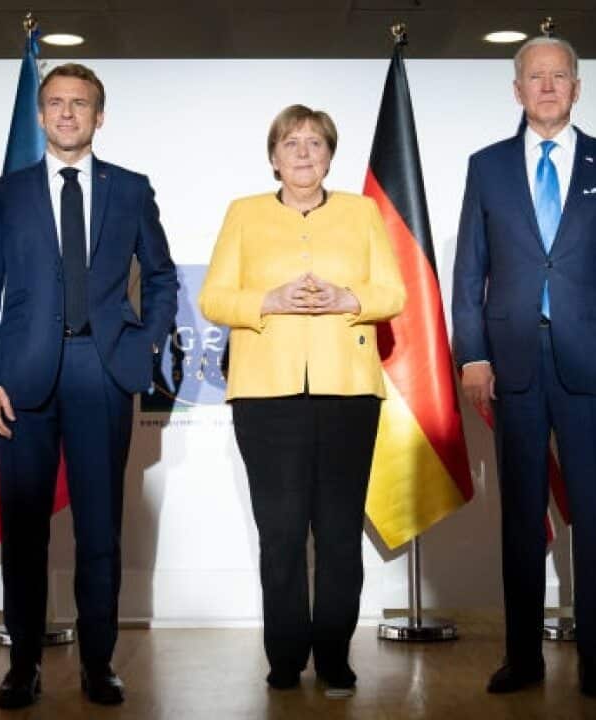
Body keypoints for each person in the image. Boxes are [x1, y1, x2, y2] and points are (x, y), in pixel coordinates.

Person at [0, 62, 178, 709]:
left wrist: (144, 344)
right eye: (55, 103)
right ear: (40, 114)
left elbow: (164, 278)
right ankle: (22, 665)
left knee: (99, 529)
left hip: (103, 373)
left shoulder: (132, 189)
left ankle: (98, 663)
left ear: (98, 115)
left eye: (79, 103)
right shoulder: (6, 192)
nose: (66, 113)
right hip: (21, 381)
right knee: (26, 530)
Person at [451, 36, 596, 698]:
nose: (546, 86)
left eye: (558, 76)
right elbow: (469, 271)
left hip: (594, 364)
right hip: (511, 362)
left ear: (576, 87)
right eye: (533, 77)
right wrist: (472, 353)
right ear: (517, 90)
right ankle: (522, 656)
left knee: (593, 512)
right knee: (519, 516)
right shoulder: (486, 167)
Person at [198, 105, 406, 696]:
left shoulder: (362, 212)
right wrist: (270, 298)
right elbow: (215, 298)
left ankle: (336, 657)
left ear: (330, 155)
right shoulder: (244, 214)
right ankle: (285, 658)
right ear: (273, 157)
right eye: (292, 143)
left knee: (339, 534)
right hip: (267, 397)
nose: (304, 153)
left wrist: (348, 297)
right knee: (282, 532)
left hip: (347, 393)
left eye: (315, 143)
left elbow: (392, 291)